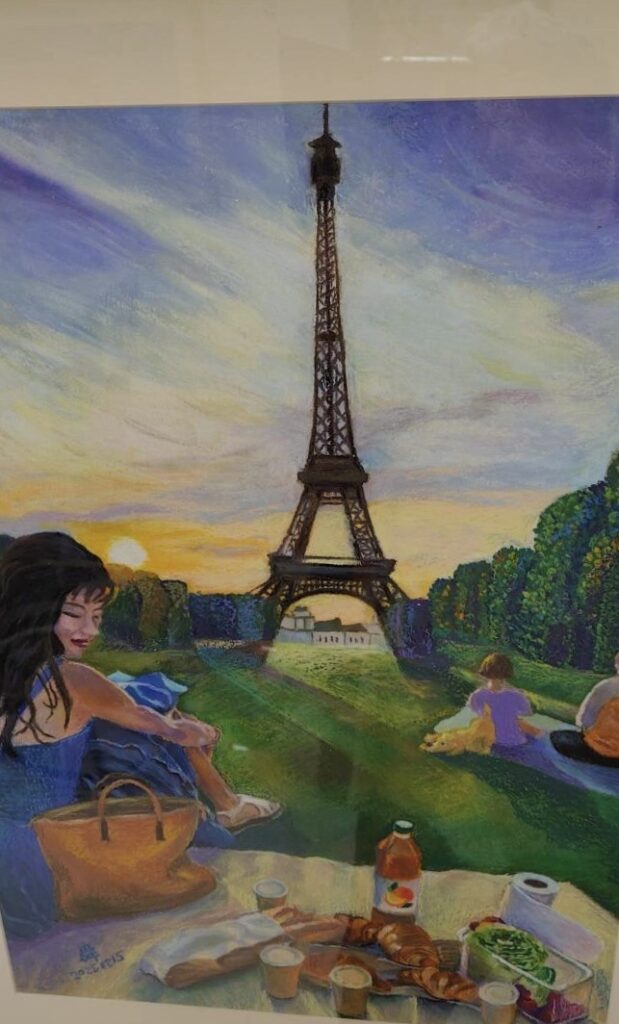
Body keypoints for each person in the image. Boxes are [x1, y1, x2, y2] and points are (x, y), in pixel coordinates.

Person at [0, 532, 280, 939]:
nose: (90, 629)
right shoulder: (75, 679)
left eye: (97, 616)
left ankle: (227, 805)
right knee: (152, 717)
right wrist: (201, 731)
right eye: (74, 613)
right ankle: (225, 804)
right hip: (49, 859)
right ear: (34, 609)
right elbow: (169, 730)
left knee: (131, 712)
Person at [550, 652, 619, 766]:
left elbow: (583, 721)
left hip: (600, 750)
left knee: (559, 737)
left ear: (616, 665)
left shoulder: (608, 686)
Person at [466, 652, 543, 750]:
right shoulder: (517, 696)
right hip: (515, 742)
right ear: (508, 671)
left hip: (491, 741)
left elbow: (472, 716)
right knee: (540, 735)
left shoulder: (477, 695)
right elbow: (528, 714)